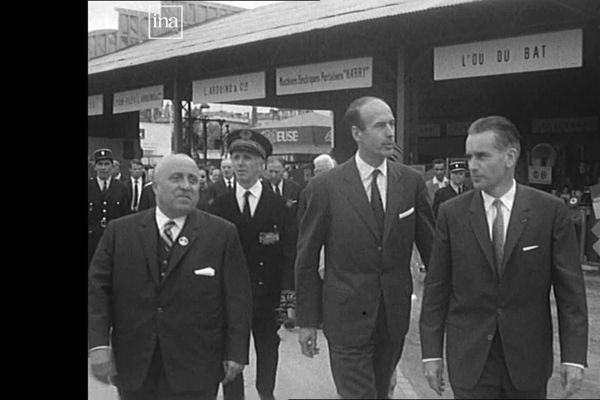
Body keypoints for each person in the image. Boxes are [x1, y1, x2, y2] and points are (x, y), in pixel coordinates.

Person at [419, 116, 588, 399]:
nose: (472, 165)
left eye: (482, 156)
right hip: (471, 360)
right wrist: (431, 354)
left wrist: (573, 358)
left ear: (510, 157)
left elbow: (571, 293)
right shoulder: (451, 213)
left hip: (527, 361)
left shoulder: (549, 211)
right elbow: (437, 288)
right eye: (469, 156)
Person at [295, 96, 435, 399]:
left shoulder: (410, 182)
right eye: (380, 125)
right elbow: (306, 259)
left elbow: (432, 250)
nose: (390, 133)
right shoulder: (325, 188)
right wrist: (306, 320)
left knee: (382, 391)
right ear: (357, 133)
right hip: (345, 318)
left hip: (392, 316)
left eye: (392, 124)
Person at [88, 153, 253, 400]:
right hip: (136, 363)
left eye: (193, 180)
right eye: (176, 178)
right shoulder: (120, 232)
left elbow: (237, 297)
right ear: (155, 186)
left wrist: (236, 352)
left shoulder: (222, 234)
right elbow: (97, 290)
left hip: (197, 366)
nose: (186, 186)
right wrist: (98, 345)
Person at [209, 129, 297, 400]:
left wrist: (288, 300)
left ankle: (265, 393)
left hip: (267, 297)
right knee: (230, 357)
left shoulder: (281, 206)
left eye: (247, 157)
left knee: (268, 350)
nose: (240, 163)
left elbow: (288, 255)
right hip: (229, 297)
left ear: (262, 164)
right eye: (235, 157)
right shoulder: (218, 205)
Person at [88, 148, 130, 267]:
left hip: (114, 241)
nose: (103, 168)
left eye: (107, 164)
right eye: (100, 164)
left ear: (112, 166)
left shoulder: (121, 188)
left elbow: (126, 216)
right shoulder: (89, 187)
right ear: (94, 167)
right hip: (91, 242)